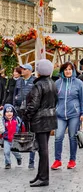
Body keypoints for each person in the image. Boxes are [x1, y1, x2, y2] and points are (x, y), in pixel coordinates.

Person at [23, 59, 57, 188]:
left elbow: (34, 104)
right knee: (43, 149)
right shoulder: (52, 83)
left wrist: (27, 116)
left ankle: (43, 177)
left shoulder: (38, 85)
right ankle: (40, 175)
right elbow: (55, 101)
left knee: (43, 150)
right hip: (49, 118)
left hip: (40, 120)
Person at [52, 62, 83, 170]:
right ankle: (57, 160)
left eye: (70, 69)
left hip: (74, 114)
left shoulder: (78, 83)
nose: (68, 71)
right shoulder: (57, 83)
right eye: (66, 69)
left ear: (73, 71)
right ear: (62, 71)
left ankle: (72, 160)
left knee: (72, 137)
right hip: (60, 114)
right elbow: (53, 99)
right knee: (58, 137)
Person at [13, 64, 36, 170]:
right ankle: (18, 154)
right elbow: (15, 95)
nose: (22, 70)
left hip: (30, 112)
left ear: (30, 71)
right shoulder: (19, 81)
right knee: (15, 133)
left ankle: (31, 161)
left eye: (24, 69)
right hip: (19, 111)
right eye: (21, 69)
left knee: (31, 135)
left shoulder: (35, 81)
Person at [3, 104, 23, 169]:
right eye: (7, 112)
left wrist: (22, 134)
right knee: (6, 152)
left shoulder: (17, 120)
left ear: (13, 112)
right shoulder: (3, 121)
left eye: (11, 112)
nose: (9, 114)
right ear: (4, 113)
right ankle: (8, 163)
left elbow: (22, 127)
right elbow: (1, 129)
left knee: (15, 151)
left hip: (15, 139)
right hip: (6, 139)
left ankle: (18, 158)